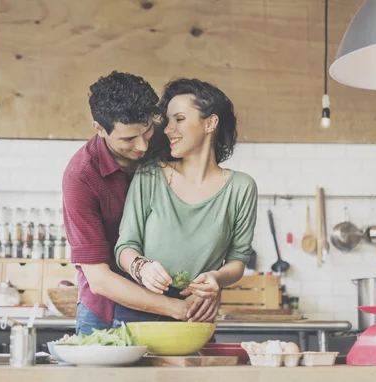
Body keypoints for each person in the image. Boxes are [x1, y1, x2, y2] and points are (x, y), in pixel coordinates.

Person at [62, 71, 203, 336]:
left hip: (175, 295)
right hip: (107, 309)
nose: (141, 146)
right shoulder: (80, 178)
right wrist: (177, 309)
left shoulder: (165, 140)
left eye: (147, 129)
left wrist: (210, 288)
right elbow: (100, 280)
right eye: (128, 139)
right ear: (100, 129)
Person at [114, 78, 258, 324]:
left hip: (195, 313)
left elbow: (237, 261)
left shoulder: (241, 188)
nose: (168, 129)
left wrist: (215, 279)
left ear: (210, 123)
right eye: (168, 121)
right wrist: (142, 267)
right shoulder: (150, 174)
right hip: (141, 309)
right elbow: (125, 246)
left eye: (179, 119)